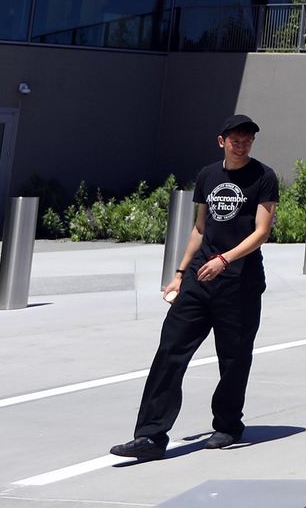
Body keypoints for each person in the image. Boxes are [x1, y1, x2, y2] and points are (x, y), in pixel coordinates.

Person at [111, 115, 278, 461]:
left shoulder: (264, 177)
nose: (242, 143)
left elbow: (261, 232)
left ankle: (229, 425)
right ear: (222, 141)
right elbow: (200, 228)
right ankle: (150, 435)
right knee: (170, 350)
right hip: (199, 278)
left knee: (233, 358)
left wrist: (225, 260)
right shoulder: (208, 176)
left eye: (247, 139)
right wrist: (180, 272)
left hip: (239, 282)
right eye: (236, 138)